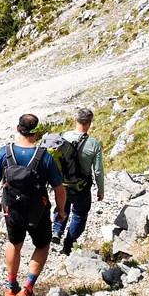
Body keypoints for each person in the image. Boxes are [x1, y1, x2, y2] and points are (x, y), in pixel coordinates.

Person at [0, 114, 67, 296]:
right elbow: (59, 188)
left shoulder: (4, 152)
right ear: (37, 132)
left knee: (15, 243)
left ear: (18, 128)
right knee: (42, 244)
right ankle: (28, 288)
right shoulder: (44, 156)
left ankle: (10, 287)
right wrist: (61, 210)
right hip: (38, 211)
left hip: (12, 209)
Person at [52, 108, 105, 256]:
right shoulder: (94, 144)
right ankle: (68, 244)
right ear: (89, 123)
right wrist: (101, 190)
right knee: (79, 215)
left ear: (75, 119)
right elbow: (98, 170)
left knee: (62, 207)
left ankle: (57, 230)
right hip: (81, 187)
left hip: (61, 184)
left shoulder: (62, 137)